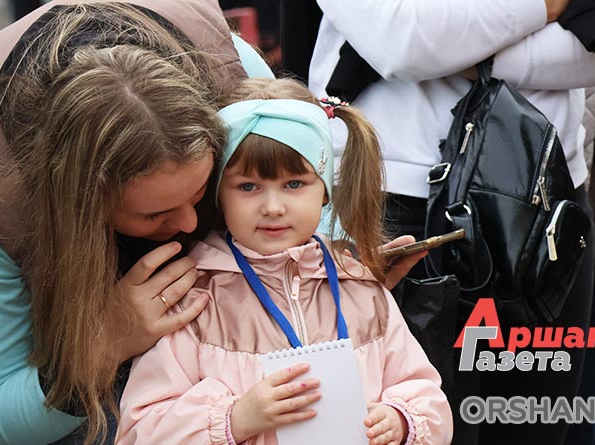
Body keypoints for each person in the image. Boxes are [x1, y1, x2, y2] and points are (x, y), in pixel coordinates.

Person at [0, 1, 262, 444]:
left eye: (199, 192)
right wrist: (107, 344)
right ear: (78, 200)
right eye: (154, 213)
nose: (190, 222)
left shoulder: (232, 71)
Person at [307, 1, 595, 445]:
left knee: (532, 430)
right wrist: (550, 6)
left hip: (544, 197)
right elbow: (402, 40)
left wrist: (465, 56)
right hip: (394, 197)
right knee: (403, 426)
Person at [116, 77, 453, 445]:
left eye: (294, 184)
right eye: (248, 186)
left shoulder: (361, 287)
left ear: (324, 190)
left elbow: (426, 396)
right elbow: (139, 431)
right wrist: (235, 419)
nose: (273, 207)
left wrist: (400, 420)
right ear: (217, 194)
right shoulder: (193, 299)